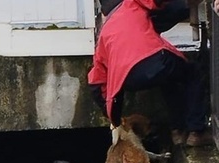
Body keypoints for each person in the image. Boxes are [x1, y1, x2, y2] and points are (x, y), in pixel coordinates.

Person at [88, 0, 214, 147]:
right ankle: (197, 131)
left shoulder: (104, 33)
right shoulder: (131, 4)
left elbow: (96, 83)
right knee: (193, 72)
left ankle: (178, 132)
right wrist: (187, 4)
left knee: (169, 80)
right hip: (152, 59)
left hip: (127, 79)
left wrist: (113, 117)